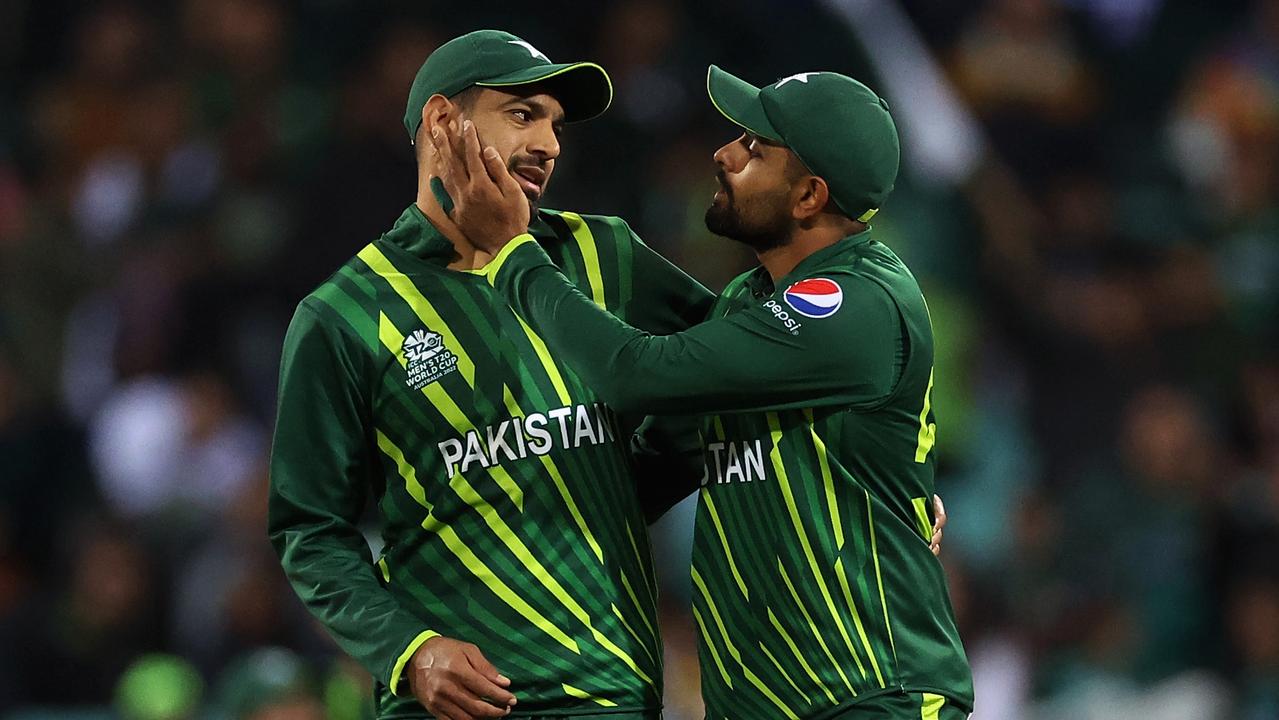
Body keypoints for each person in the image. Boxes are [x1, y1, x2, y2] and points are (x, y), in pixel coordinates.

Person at [433, 65, 974, 719]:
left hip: (865, 698)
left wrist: (513, 252)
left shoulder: (853, 302)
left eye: (753, 149)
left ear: (807, 196)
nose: (722, 154)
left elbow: (636, 371)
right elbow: (647, 475)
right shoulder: (746, 302)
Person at [268, 30, 717, 720]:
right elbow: (308, 528)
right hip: (454, 707)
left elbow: (740, 365)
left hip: (610, 693)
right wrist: (408, 650)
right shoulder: (343, 315)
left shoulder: (603, 254)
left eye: (554, 125)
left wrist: (886, 453)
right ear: (442, 122)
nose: (549, 144)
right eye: (521, 114)